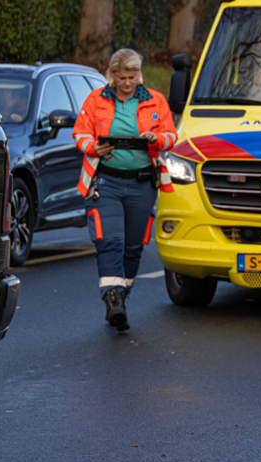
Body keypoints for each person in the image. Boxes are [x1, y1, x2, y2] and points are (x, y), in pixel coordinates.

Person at [72, 49, 177, 331]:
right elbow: (79, 134)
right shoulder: (96, 100)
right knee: (110, 241)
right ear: (112, 76)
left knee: (132, 247)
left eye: (131, 77)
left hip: (143, 183)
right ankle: (112, 298)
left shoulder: (155, 100)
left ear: (138, 75)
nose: (127, 83)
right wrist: (95, 147)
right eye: (121, 78)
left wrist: (156, 138)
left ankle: (123, 292)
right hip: (106, 182)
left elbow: (172, 137)